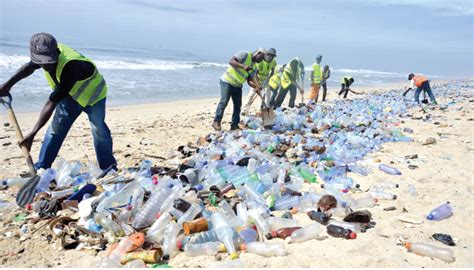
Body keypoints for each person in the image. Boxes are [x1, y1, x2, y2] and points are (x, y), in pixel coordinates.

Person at [0, 33, 117, 171]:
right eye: (42, 62)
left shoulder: (71, 66)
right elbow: (29, 68)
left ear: (56, 52)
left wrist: (33, 133)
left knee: (99, 130)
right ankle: (42, 167)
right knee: (56, 129)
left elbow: (51, 103)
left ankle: (108, 167)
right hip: (69, 96)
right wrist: (7, 86)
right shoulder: (45, 53)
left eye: (49, 61)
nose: (46, 65)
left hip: (93, 97)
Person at [212, 48, 265, 131]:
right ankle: (216, 121)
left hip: (238, 85)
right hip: (227, 81)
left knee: (237, 106)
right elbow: (231, 62)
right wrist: (243, 66)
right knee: (224, 101)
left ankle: (234, 125)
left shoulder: (254, 67)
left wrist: (256, 86)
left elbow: (249, 80)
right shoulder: (244, 54)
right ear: (258, 53)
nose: (261, 61)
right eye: (261, 58)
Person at [242, 48, 277, 115]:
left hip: (266, 79)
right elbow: (255, 74)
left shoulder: (274, 61)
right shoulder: (261, 62)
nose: (270, 57)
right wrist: (258, 85)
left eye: (272, 56)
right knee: (252, 94)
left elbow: (273, 69)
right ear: (266, 55)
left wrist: (272, 73)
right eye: (269, 55)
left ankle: (266, 108)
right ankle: (244, 109)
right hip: (257, 79)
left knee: (267, 94)